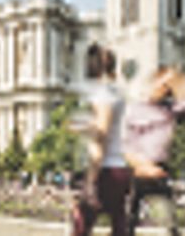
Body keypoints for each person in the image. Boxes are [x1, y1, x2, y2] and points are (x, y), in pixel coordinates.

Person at [121, 64, 185, 236]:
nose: (163, 90)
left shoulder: (168, 110)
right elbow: (127, 144)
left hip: (159, 167)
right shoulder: (137, 110)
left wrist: (176, 80)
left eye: (167, 88)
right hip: (140, 167)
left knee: (169, 217)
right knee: (130, 217)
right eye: (160, 85)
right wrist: (140, 165)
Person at [70, 44, 130, 236]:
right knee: (118, 226)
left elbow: (101, 134)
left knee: (81, 225)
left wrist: (90, 179)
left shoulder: (103, 94)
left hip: (106, 170)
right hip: (121, 167)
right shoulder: (118, 93)